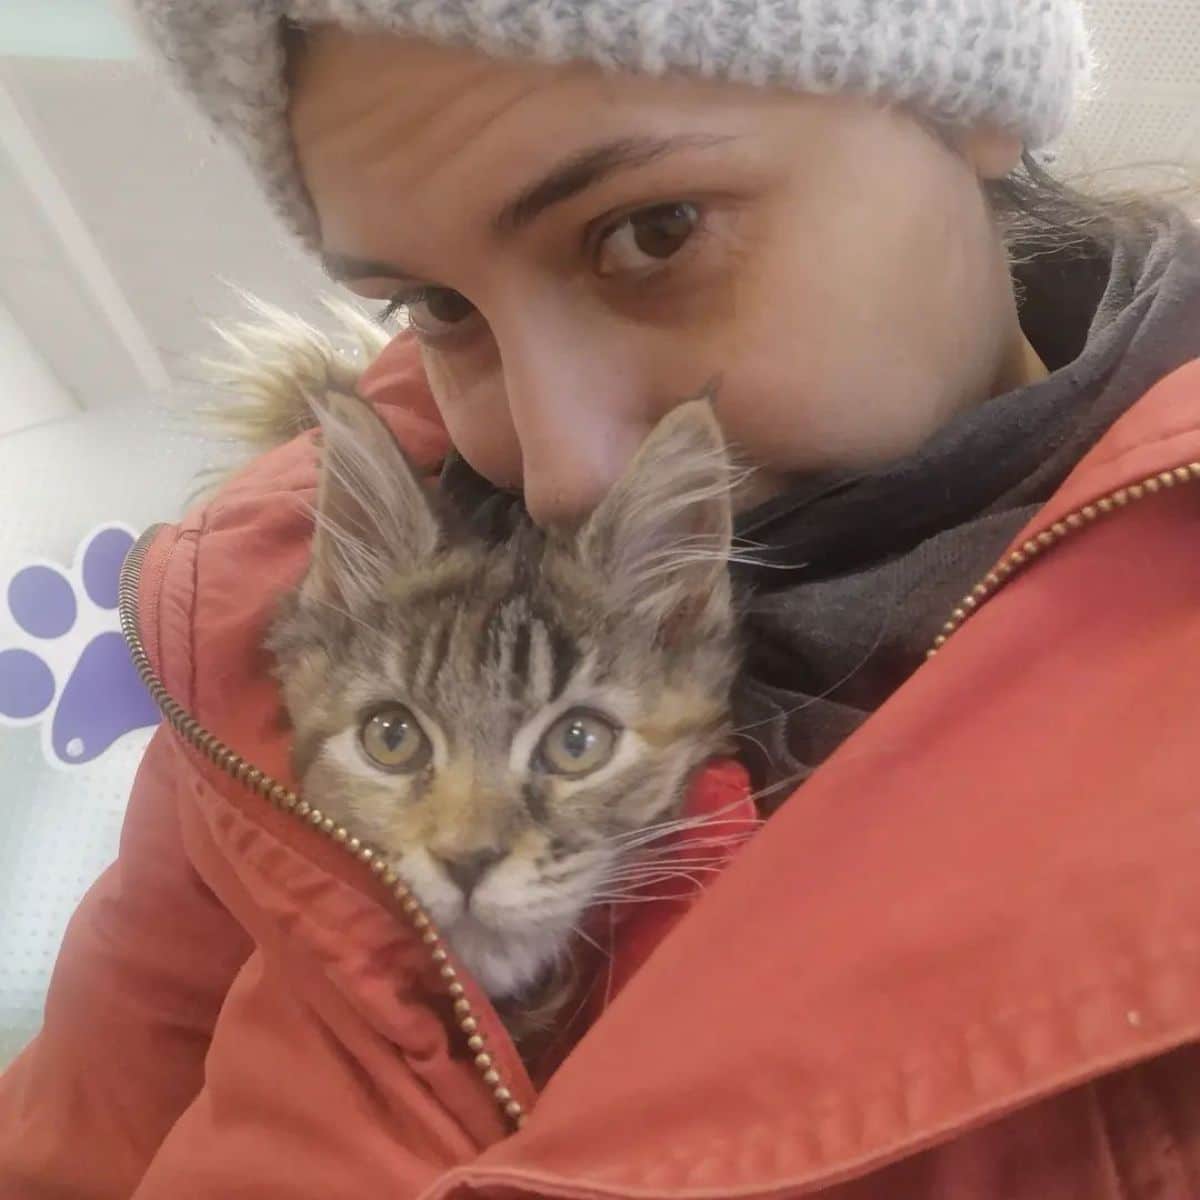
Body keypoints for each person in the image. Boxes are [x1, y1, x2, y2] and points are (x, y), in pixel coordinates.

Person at [3, 2, 1200, 1196]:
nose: (559, 470)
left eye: (652, 232)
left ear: (974, 102)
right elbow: (75, 1138)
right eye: (439, 308)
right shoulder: (256, 588)